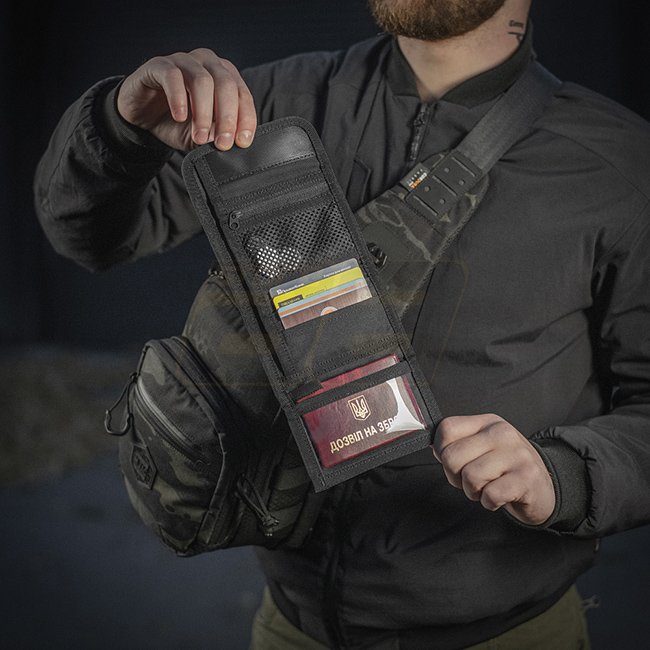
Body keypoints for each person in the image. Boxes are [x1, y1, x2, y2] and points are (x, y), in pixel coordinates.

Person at [33, 0, 650, 648]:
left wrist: (561, 474)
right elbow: (91, 236)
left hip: (510, 634)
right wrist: (119, 127)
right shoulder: (266, 104)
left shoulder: (618, 164)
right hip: (290, 628)